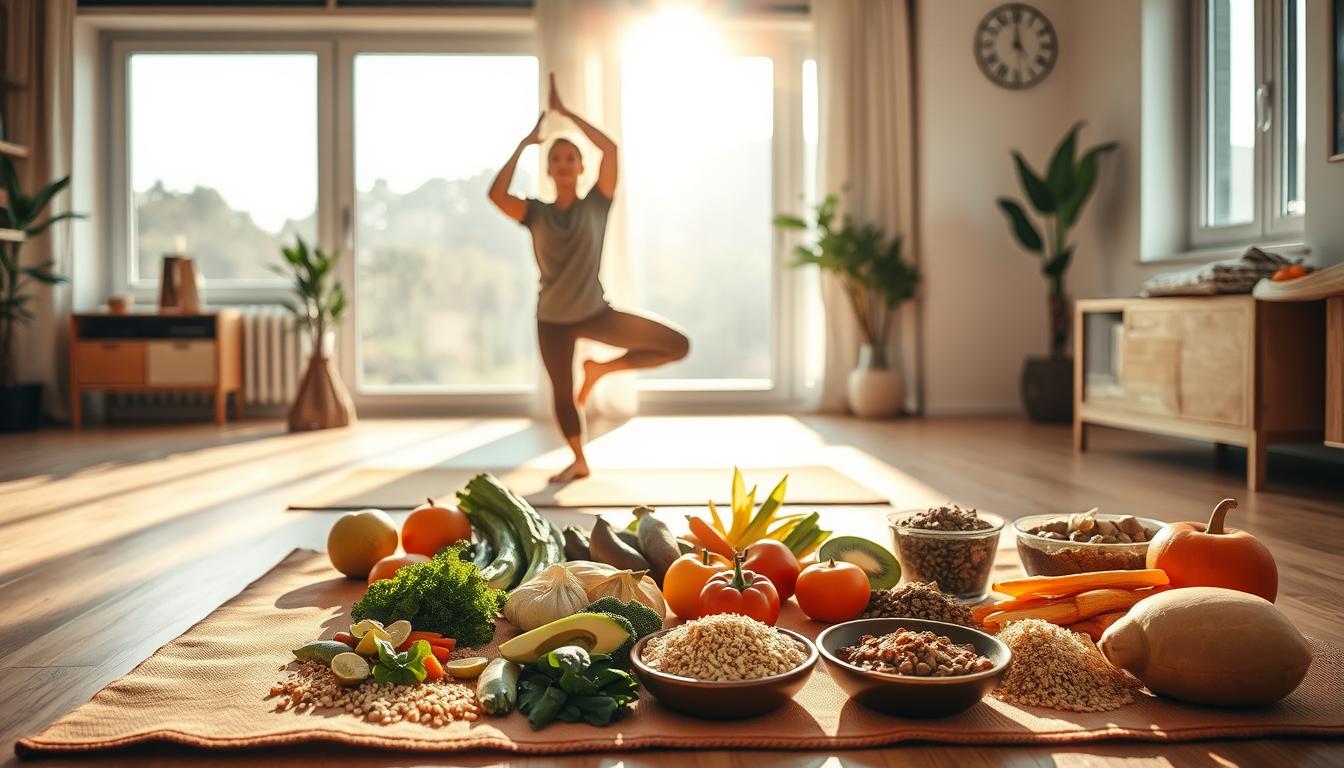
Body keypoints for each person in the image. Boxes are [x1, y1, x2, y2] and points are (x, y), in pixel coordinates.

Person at [488, 73, 689, 483]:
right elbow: (496, 195)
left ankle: (600, 371)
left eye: (570, 158)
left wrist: (566, 115)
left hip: (596, 311)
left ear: (581, 167)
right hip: (553, 320)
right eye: (556, 159)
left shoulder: (598, 204)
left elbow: (610, 148)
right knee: (562, 392)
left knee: (676, 345)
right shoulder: (535, 212)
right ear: (548, 170)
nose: (563, 164)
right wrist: (524, 146)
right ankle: (579, 459)